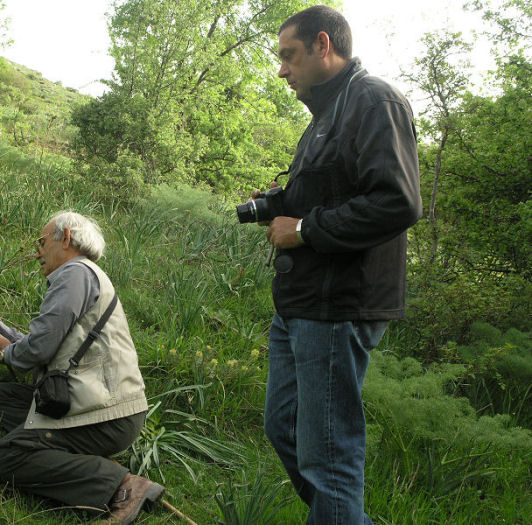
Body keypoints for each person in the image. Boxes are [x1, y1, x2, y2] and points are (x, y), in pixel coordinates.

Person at [256, 6, 422, 524]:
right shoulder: (327, 114)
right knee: (282, 426)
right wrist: (282, 201)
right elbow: (334, 189)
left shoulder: (374, 100)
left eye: (289, 55)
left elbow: (397, 201)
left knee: (328, 460)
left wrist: (304, 229)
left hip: (337, 307)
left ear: (322, 45)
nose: (282, 69)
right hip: (301, 305)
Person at [0, 211, 164, 525]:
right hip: (102, 405)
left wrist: (4, 354)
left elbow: (40, 348)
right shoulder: (83, 274)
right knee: (0, 398)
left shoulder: (75, 273)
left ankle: (122, 486)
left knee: (6, 457)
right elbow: (48, 345)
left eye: (42, 242)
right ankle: (67, 454)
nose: (37, 252)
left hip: (106, 414)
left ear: (66, 238)